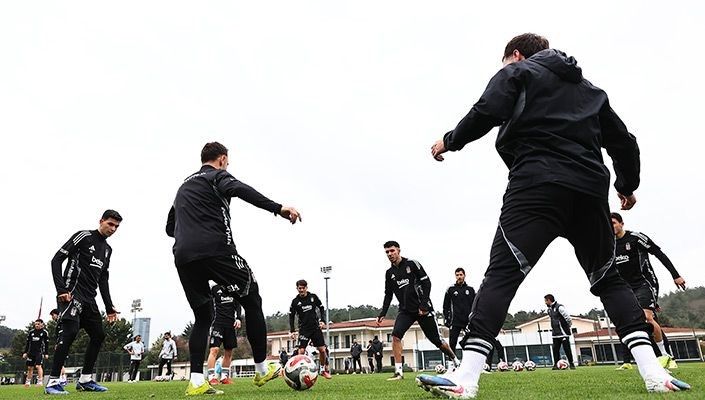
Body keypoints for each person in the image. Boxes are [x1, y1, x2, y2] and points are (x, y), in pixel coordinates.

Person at [417, 33, 690, 397]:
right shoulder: (592, 92)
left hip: (537, 186)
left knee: (502, 274)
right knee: (609, 280)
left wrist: (449, 141)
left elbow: (486, 111)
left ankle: (466, 378)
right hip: (590, 192)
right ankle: (655, 373)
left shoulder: (518, 72)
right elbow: (624, 141)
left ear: (516, 55)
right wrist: (627, 185)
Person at [166, 142, 301, 395]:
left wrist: (193, 231)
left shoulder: (183, 187)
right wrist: (278, 208)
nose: (227, 165)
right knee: (252, 297)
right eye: (227, 162)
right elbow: (239, 189)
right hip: (216, 250)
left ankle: (196, 381)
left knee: (203, 316)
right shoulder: (216, 176)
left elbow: (169, 228)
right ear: (222, 159)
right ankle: (262, 369)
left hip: (184, 256)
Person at [45, 209, 122, 395]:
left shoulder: (107, 250)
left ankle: (85, 380)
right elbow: (56, 260)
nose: (113, 229)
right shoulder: (84, 236)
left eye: (116, 227)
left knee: (98, 335)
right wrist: (61, 290)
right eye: (110, 224)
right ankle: (53, 382)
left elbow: (103, 279)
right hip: (71, 293)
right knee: (70, 332)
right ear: (101, 221)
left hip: (89, 299)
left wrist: (109, 307)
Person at [377, 241, 459, 381]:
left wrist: (424, 304)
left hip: (422, 309)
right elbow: (388, 294)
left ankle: (455, 360)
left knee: (436, 340)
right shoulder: (389, 273)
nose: (390, 254)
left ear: (398, 250)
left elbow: (427, 283)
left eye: (392, 251)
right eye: (387, 252)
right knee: (396, 336)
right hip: (405, 311)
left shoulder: (412, 264)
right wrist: (383, 313)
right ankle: (399, 372)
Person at [611, 212, 685, 362]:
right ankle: (656, 356)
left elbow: (659, 253)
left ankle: (665, 356)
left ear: (621, 223)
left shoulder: (636, 238)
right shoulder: (609, 245)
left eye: (613, 223)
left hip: (645, 283)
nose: (610, 226)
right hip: (627, 289)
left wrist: (675, 275)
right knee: (637, 322)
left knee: (647, 317)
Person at [289, 279, 332, 379]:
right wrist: (292, 330)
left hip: (315, 328)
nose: (301, 290)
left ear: (306, 288)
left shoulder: (313, 297)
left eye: (303, 288)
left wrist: (322, 320)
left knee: (322, 350)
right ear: (297, 289)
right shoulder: (295, 301)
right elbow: (291, 316)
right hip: (304, 329)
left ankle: (322, 370)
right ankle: (299, 373)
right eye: (299, 288)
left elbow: (321, 308)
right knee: (301, 351)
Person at [207, 282, 243, 385]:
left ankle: (224, 377)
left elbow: (238, 305)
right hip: (217, 323)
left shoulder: (233, 288)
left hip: (230, 324)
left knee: (229, 351)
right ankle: (211, 377)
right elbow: (207, 303)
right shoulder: (214, 288)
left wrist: (238, 318)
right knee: (214, 349)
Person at [443, 268, 476, 351]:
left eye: (461, 275)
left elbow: (475, 305)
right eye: (457, 275)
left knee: (472, 341)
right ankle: (452, 359)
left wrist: (474, 318)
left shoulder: (470, 290)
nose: (459, 277)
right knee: (452, 342)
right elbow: (445, 306)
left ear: (464, 275)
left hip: (468, 320)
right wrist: (446, 318)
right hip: (455, 321)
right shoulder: (450, 289)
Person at [544, 295, 575, 369]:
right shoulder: (549, 310)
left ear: (549, 300)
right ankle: (556, 365)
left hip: (563, 333)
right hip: (555, 333)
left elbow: (568, 317)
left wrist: (568, 326)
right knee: (555, 350)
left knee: (567, 349)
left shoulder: (560, 307)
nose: (545, 303)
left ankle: (571, 364)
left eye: (545, 301)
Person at [22, 319, 49, 387]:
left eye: (38, 324)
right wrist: (25, 352)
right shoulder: (31, 332)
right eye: (36, 324)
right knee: (29, 368)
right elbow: (28, 343)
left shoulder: (44, 332)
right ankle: (28, 382)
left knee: (38, 366)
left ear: (42, 324)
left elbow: (46, 344)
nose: (37, 325)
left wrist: (46, 353)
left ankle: (40, 381)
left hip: (39, 352)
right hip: (31, 352)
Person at [48, 309, 67, 385]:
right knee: (60, 362)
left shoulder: (62, 322)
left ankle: (63, 379)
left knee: (60, 361)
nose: (52, 317)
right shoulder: (58, 323)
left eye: (53, 315)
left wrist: (60, 342)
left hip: (63, 342)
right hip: (60, 342)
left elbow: (62, 334)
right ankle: (62, 378)